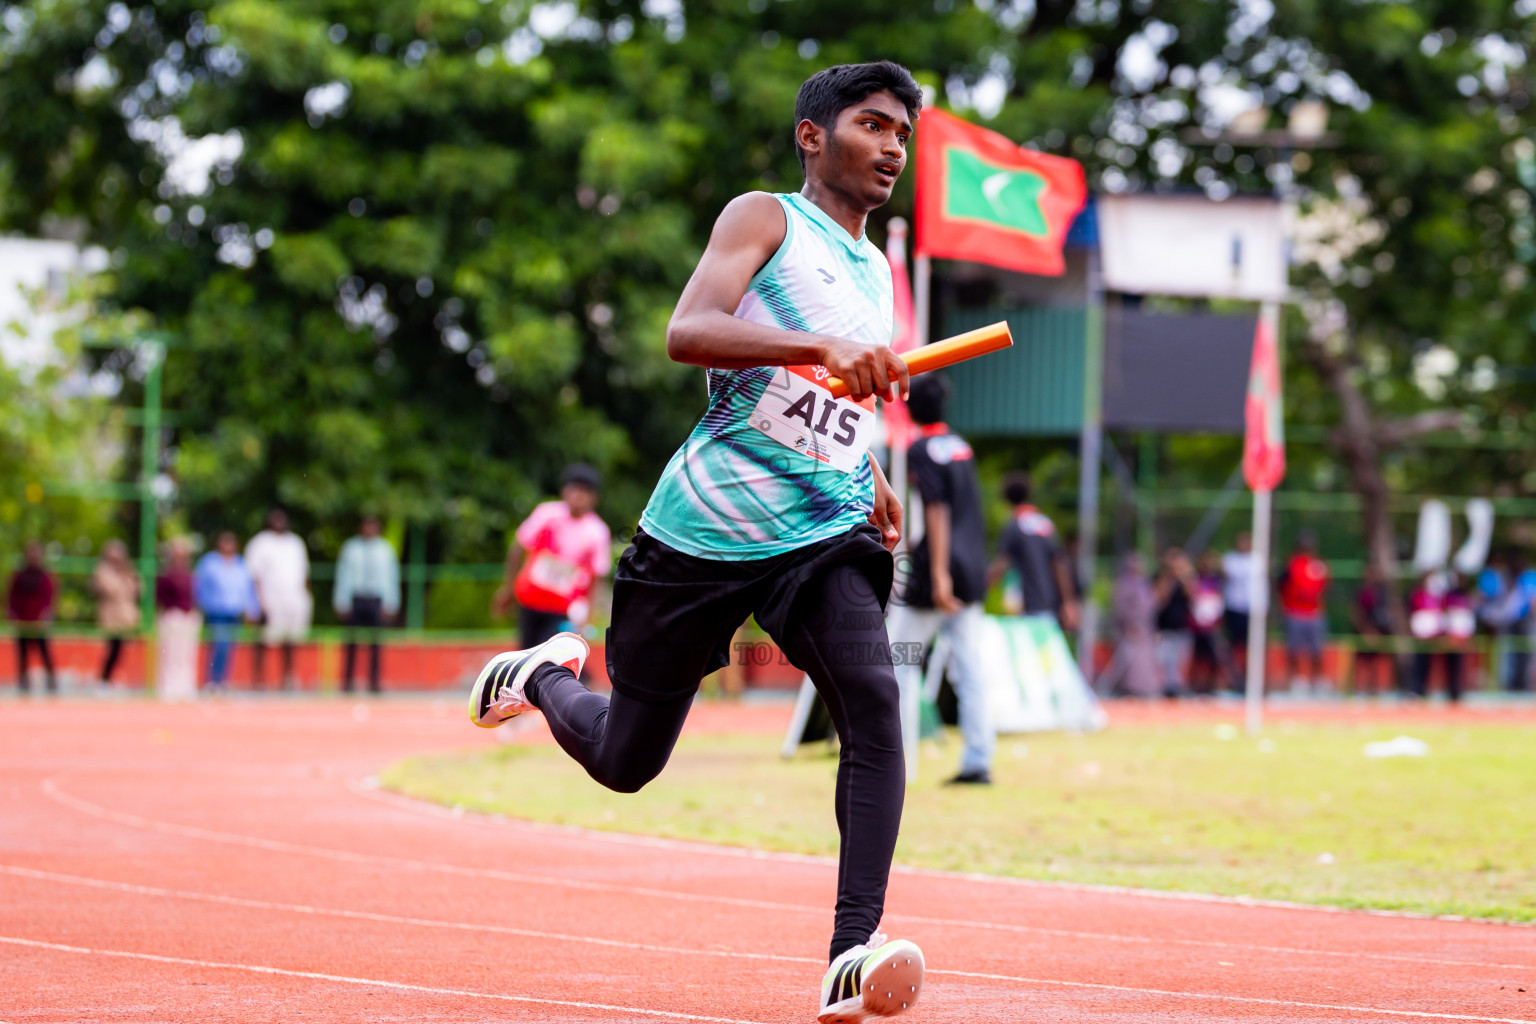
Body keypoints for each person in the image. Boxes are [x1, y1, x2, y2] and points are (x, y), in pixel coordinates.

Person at [463, 62, 926, 1022]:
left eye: (901, 135)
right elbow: (688, 330)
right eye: (873, 125)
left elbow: (834, 399)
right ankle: (542, 675)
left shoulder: (878, 269)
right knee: (628, 760)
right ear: (812, 135)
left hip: (821, 530)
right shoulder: (764, 218)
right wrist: (818, 350)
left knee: (875, 701)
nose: (891, 147)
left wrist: (873, 476)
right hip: (703, 531)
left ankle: (853, 948)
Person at [887, 375, 992, 785]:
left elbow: (937, 510)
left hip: (940, 574)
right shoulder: (961, 447)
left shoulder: (921, 449)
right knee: (969, 668)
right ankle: (979, 758)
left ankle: (891, 761)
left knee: (897, 664)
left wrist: (938, 575)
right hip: (972, 571)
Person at [493, 464, 613, 650]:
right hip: (530, 599)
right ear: (564, 490)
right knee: (526, 652)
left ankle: (580, 676)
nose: (579, 496)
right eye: (575, 488)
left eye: (585, 491)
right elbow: (518, 547)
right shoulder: (546, 514)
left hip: (563, 608)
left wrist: (589, 616)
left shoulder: (597, 532)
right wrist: (507, 588)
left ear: (594, 498)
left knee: (548, 654)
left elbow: (596, 578)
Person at [991, 472, 1080, 631]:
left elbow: (1001, 564)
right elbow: (1059, 564)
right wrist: (1068, 602)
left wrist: (979, 590)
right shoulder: (1045, 524)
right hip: (1048, 604)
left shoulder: (1014, 525)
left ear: (1006, 498)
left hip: (1023, 605)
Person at [245, 507, 312, 689]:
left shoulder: (295, 543)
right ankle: (258, 680)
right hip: (269, 600)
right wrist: (256, 603)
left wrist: (304, 598)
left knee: (291, 641)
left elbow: (304, 573)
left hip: (294, 600)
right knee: (263, 641)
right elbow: (253, 576)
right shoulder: (260, 543)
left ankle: (288, 679)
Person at [334, 515, 400, 693]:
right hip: (356, 598)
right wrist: (341, 600)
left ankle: (375, 682)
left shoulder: (386, 549)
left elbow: (391, 578)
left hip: (376, 599)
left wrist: (391, 602)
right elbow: (343, 576)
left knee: (376, 643)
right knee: (351, 642)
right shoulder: (350, 548)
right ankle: (347, 682)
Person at [194, 531, 259, 690]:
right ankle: (211, 681)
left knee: (229, 649)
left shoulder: (240, 563)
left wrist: (252, 609)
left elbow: (248, 589)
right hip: (216, 612)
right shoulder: (209, 562)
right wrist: (202, 605)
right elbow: (199, 586)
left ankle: (223, 681)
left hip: (234, 613)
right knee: (218, 647)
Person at [1277, 530, 1330, 693]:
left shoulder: (1319, 565)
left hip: (1314, 613)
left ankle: (1318, 680)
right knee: (1294, 649)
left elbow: (1325, 587)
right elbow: (1280, 586)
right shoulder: (1290, 564)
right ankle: (1297, 680)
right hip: (1294, 612)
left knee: (1317, 649)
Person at [155, 538, 201, 701]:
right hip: (172, 617)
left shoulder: (191, 574)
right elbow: (160, 598)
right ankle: (168, 688)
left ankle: (186, 688)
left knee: (186, 654)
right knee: (170, 654)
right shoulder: (166, 574)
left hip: (189, 618)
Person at [1108, 553, 1160, 696]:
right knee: (1129, 662)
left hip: (1144, 628)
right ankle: (1126, 690)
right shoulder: (1124, 583)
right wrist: (1129, 624)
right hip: (1130, 628)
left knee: (1144, 662)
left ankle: (1142, 689)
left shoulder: (1144, 584)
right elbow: (1120, 606)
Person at [8, 541, 57, 693]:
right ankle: (23, 682)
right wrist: (12, 613)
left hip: (39, 622)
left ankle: (51, 681)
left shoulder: (45, 576)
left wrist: (48, 613)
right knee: (22, 653)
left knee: (45, 651)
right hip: (23, 620)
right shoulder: (19, 575)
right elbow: (12, 596)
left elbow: (50, 597)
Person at [92, 539, 141, 687]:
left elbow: (136, 589)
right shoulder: (103, 571)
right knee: (112, 649)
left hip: (124, 617)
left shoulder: (128, 571)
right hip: (110, 616)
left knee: (120, 650)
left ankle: (108, 679)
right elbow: (110, 589)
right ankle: (104, 679)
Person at [1152, 548, 1195, 697]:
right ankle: (1164, 689)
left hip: (1181, 628)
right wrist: (1169, 578)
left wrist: (1185, 577)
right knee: (1162, 662)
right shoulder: (1162, 578)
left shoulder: (1186, 579)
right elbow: (1159, 600)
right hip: (1163, 628)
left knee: (1179, 663)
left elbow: (1193, 597)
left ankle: (1178, 689)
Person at [1350, 563, 1396, 695]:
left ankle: (1375, 689)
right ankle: (1358, 689)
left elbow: (1387, 613)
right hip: (1364, 632)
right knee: (1362, 662)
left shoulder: (1382, 592)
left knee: (1377, 662)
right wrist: (1366, 631)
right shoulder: (1362, 592)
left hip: (1380, 632)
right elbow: (1357, 613)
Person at [1187, 550, 1227, 694]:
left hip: (1212, 624)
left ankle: (1213, 684)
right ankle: (1196, 684)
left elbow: (1219, 599)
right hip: (1197, 624)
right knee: (1198, 656)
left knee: (1214, 657)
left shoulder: (1216, 579)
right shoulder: (1195, 579)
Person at [1221, 531, 1255, 689]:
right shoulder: (1230, 560)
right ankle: (1234, 679)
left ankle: (1250, 679)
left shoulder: (1257, 560)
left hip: (1252, 611)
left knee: (1251, 647)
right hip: (1234, 608)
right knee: (1234, 646)